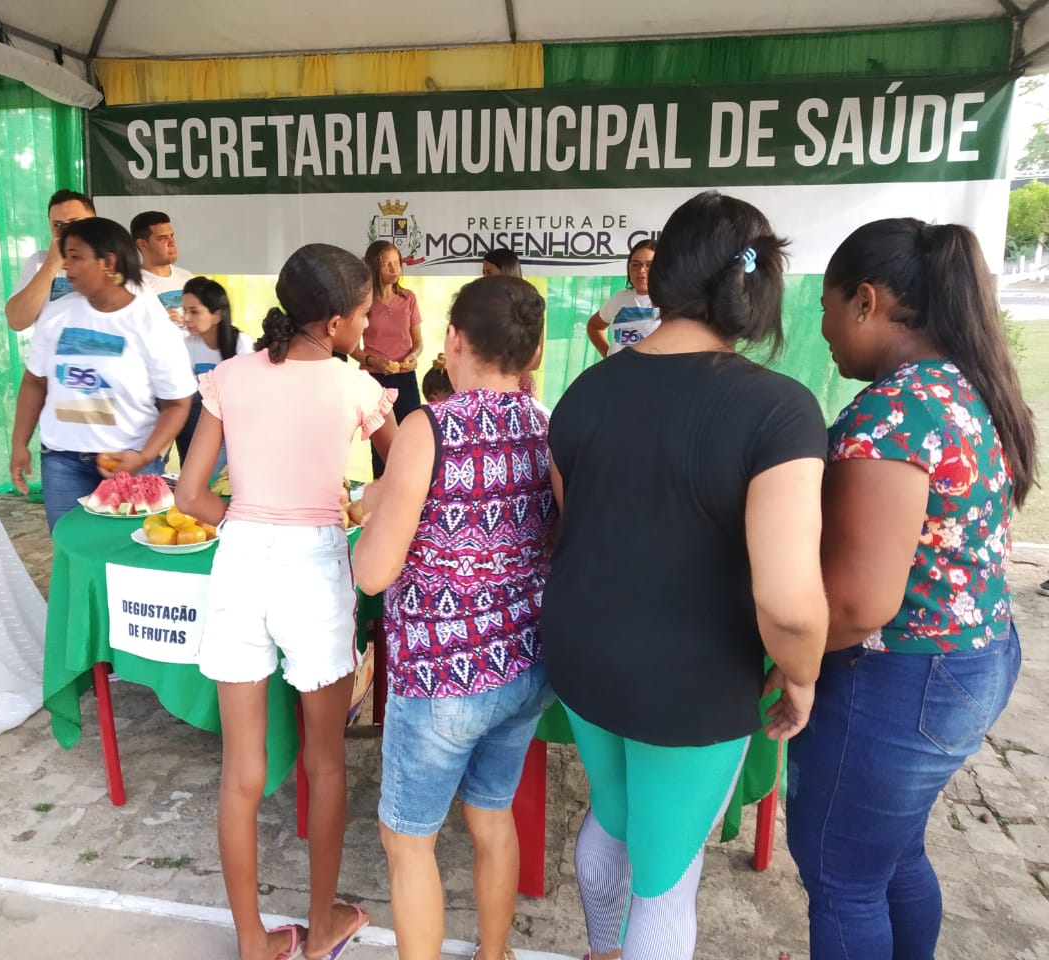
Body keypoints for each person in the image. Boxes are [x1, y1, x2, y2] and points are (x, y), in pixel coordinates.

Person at [541, 191, 829, 960]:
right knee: (665, 880)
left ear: (659, 278)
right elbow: (790, 603)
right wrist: (800, 678)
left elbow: (577, 529)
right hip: (691, 682)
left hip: (584, 655)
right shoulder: (779, 410)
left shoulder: (583, 390)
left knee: (616, 818)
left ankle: (602, 950)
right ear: (755, 288)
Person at [787, 219, 1035, 960]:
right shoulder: (967, 385)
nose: (823, 329)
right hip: (974, 660)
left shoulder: (891, 414)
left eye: (828, 307)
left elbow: (862, 601)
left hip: (900, 679)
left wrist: (790, 661)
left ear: (864, 302)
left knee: (842, 879)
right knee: (892, 856)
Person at [172, 243, 396, 960]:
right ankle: (323, 924)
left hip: (239, 562)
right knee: (324, 762)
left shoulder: (231, 376)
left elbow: (189, 496)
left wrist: (246, 519)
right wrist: (357, 508)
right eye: (364, 316)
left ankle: (252, 942)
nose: (366, 328)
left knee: (242, 771)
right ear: (334, 323)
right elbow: (408, 469)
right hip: (313, 569)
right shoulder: (354, 384)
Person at [352, 274, 557, 960]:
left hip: (444, 674)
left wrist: (364, 531)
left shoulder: (429, 427)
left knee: (409, 841)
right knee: (491, 816)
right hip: (524, 663)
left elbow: (375, 572)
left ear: (453, 340)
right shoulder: (546, 424)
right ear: (531, 355)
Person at [10, 217, 194, 531]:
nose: (66, 266)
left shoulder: (150, 322)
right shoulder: (57, 313)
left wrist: (145, 456)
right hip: (62, 461)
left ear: (108, 262)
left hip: (131, 460)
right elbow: (34, 381)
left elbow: (177, 403)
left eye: (76, 256)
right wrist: (18, 445)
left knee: (128, 556)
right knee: (72, 548)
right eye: (65, 256)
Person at [349, 240, 422, 477]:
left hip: (406, 378)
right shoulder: (363, 302)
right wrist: (374, 362)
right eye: (386, 264)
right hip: (375, 380)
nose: (394, 269)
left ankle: (414, 488)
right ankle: (380, 494)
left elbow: (418, 344)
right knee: (380, 444)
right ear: (373, 268)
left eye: (397, 263)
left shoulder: (408, 298)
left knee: (413, 436)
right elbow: (353, 348)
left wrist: (413, 356)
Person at [175, 276, 252, 470]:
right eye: (184, 311)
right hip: (199, 427)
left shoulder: (241, 343)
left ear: (216, 316)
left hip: (233, 427)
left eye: (194, 312)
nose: (186, 319)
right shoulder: (187, 345)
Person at [6, 190, 96, 332]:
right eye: (58, 225)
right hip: (50, 351)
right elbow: (17, 322)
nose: (66, 230)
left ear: (94, 222)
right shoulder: (39, 262)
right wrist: (51, 265)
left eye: (74, 222)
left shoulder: (111, 260)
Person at [481, 247, 541, 397]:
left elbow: (536, 359)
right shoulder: (482, 303)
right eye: (483, 273)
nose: (484, 278)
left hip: (517, 385)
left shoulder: (531, 301)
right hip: (485, 385)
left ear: (506, 271)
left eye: (489, 272)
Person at [586, 240, 659, 359]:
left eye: (649, 265)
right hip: (618, 375)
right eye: (635, 265)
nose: (641, 270)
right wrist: (609, 357)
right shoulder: (619, 299)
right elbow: (594, 326)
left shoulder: (672, 302)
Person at [131, 210, 195, 328]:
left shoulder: (187, 277)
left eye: (172, 236)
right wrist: (159, 319)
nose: (172, 242)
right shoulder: (132, 285)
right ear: (142, 244)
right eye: (162, 238)